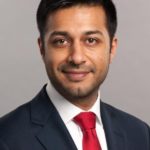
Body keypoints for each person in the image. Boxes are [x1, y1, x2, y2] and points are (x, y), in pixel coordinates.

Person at [0, 0, 150, 149]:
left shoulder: (140, 133)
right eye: (61, 41)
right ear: (42, 49)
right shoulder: (6, 138)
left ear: (112, 48)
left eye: (91, 40)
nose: (77, 58)